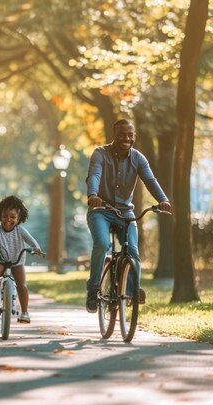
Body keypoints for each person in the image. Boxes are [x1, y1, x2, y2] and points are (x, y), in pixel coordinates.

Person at [85, 119, 171, 313]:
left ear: (134, 136)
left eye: (130, 135)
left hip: (125, 212)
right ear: (113, 135)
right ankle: (93, 290)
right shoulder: (100, 154)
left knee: (132, 251)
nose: (127, 138)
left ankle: (132, 290)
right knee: (101, 244)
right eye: (122, 134)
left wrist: (163, 199)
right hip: (101, 211)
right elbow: (95, 175)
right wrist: (93, 195)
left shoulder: (139, 158)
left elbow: (150, 180)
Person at [0, 195, 44, 324]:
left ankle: (24, 313)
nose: (8, 220)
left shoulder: (20, 230)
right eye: (5, 216)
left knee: (22, 285)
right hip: (0, 261)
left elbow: (31, 241)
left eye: (13, 217)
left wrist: (36, 248)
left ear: (18, 219)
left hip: (17, 262)